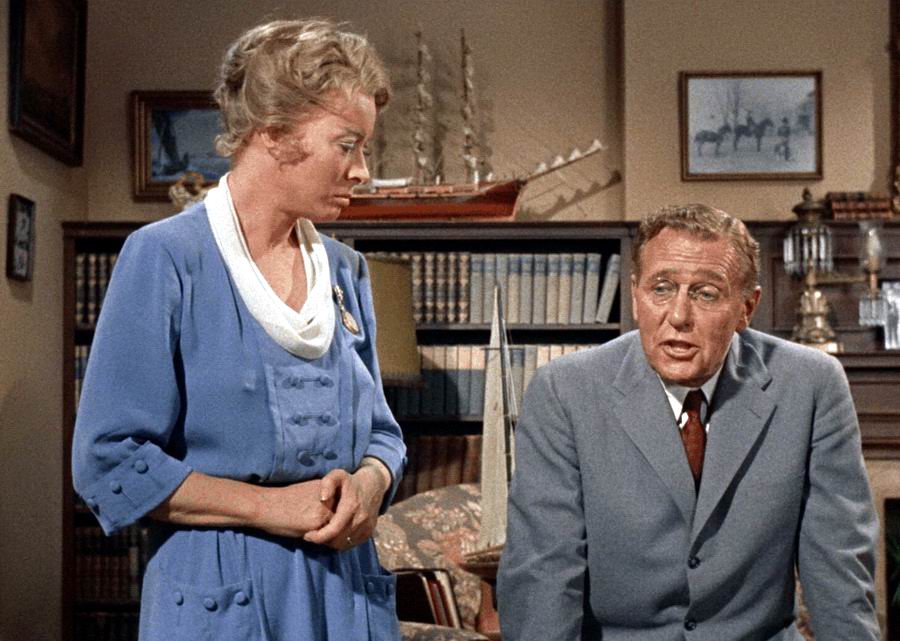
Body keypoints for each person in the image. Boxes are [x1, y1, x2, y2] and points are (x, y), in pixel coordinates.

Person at [72, 19, 406, 641]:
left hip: (344, 589)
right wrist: (270, 507)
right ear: (274, 133)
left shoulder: (346, 270)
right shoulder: (167, 258)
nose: (362, 170)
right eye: (347, 144)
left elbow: (383, 433)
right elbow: (108, 461)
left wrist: (370, 482)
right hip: (223, 597)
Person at [498, 204, 881, 641]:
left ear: (746, 307)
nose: (678, 316)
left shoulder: (810, 385)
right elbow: (544, 575)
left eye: (706, 294)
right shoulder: (564, 391)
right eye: (661, 289)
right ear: (636, 296)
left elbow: (839, 569)